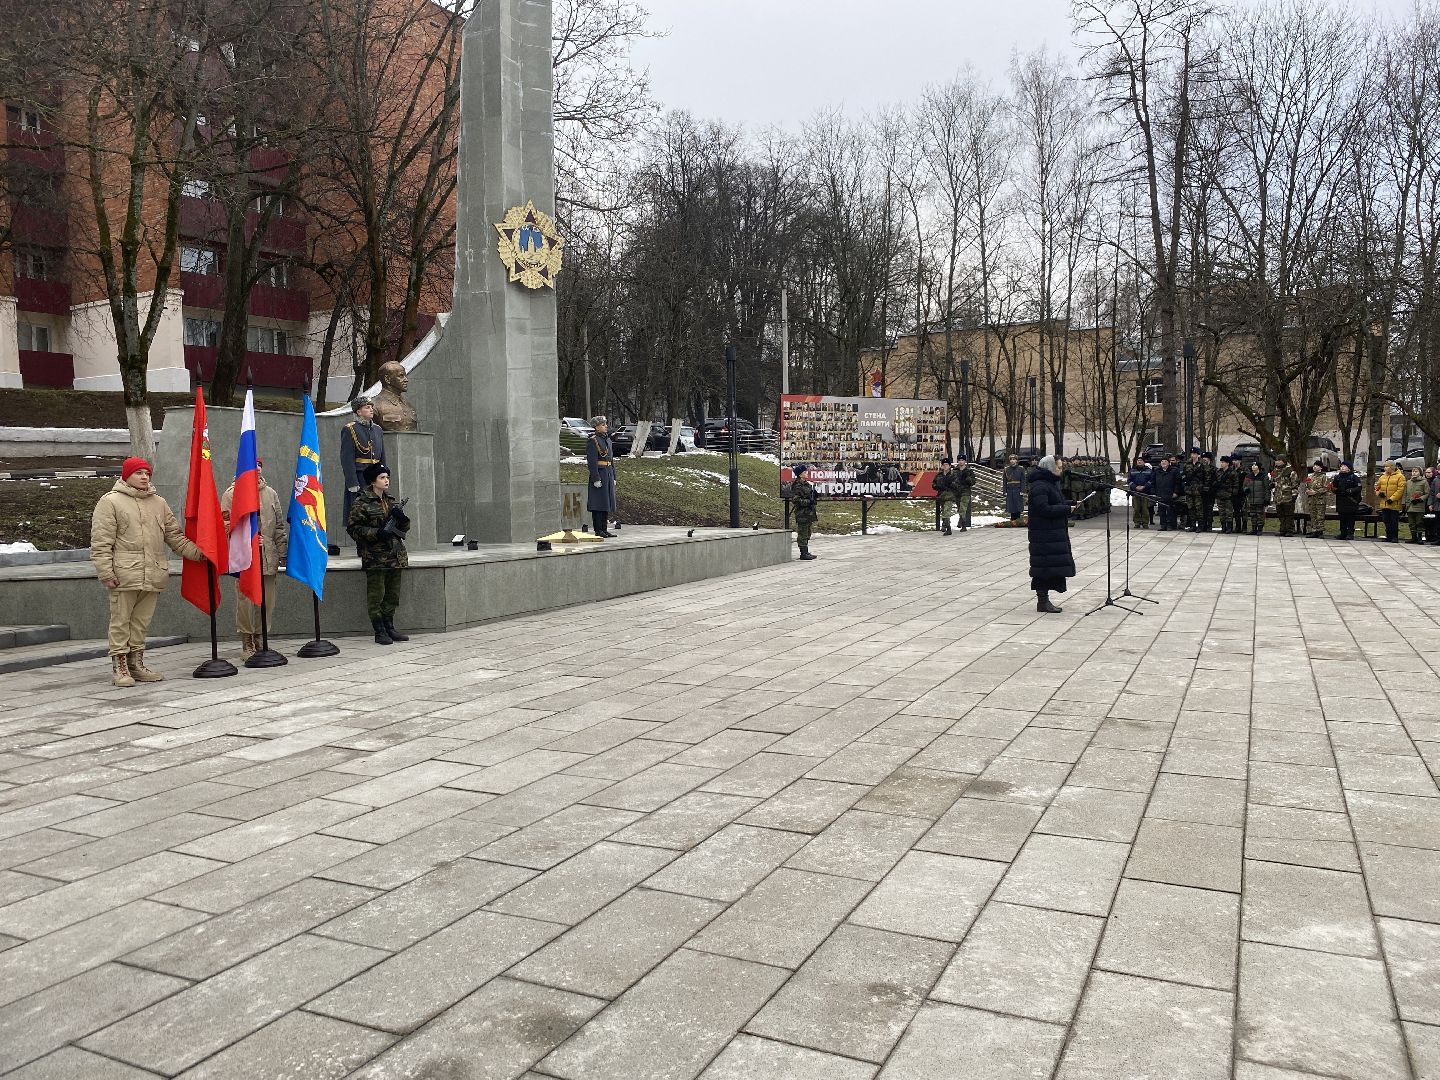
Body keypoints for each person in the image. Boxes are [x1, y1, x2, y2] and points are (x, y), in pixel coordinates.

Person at [90, 457, 207, 687]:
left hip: (153, 573)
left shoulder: (159, 503)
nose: (145, 477)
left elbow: (175, 537)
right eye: (139, 473)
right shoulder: (110, 502)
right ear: (126, 476)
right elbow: (101, 542)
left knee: (141, 623)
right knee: (121, 621)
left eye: (147, 473)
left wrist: (202, 553)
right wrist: (106, 572)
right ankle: (120, 667)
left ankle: (136, 664)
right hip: (124, 574)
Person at [221, 459, 290, 659]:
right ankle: (247, 640)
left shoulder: (271, 493)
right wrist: (249, 540)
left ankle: (262, 637)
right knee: (246, 600)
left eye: (260, 466)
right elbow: (226, 525)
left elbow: (278, 527)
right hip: (245, 557)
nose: (257, 469)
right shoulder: (232, 494)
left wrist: (283, 552)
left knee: (267, 601)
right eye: (253, 465)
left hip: (268, 556)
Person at [347, 463, 411, 645]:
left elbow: (403, 529)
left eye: (387, 477)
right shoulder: (361, 502)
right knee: (376, 595)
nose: (386, 480)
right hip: (375, 556)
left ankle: (390, 626)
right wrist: (376, 533)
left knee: (392, 594)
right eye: (382, 477)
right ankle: (379, 630)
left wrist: (403, 520)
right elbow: (354, 529)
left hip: (395, 555)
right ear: (373, 481)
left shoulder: (391, 501)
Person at [1028, 456, 1074, 613]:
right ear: (1049, 468)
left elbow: (1053, 503)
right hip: (1043, 535)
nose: (1060, 470)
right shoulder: (1040, 486)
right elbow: (1043, 509)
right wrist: (1065, 509)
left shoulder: (1050, 483)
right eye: (1058, 467)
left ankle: (1044, 601)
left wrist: (1069, 504)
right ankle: (1042, 602)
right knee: (1043, 568)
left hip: (1050, 533)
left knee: (1048, 567)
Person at [340, 397, 386, 548]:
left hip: (375, 477)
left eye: (371, 406)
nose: (371, 409)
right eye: (367, 407)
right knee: (360, 513)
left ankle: (375, 542)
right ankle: (362, 545)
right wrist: (352, 482)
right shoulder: (350, 429)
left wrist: (384, 474)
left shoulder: (378, 430)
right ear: (358, 411)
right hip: (360, 477)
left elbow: (382, 455)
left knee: (377, 510)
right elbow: (347, 458)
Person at [586, 415, 616, 538]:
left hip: (607, 473)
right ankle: (598, 530)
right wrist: (596, 478)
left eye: (605, 424)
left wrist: (614, 476)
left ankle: (604, 529)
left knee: (606, 503)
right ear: (596, 427)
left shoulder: (607, 440)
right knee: (598, 504)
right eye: (603, 425)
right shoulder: (593, 441)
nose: (606, 426)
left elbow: (611, 460)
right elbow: (592, 461)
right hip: (600, 473)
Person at [372, 361, 418, 432]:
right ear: (387, 379)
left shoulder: (409, 406)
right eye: (401, 376)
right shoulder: (374, 405)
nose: (406, 380)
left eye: (405, 376)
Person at [791, 463, 819, 560]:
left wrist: (814, 497)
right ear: (800, 474)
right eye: (804, 472)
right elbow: (796, 500)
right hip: (802, 513)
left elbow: (809, 496)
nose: (807, 473)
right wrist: (808, 501)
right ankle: (803, 553)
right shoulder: (797, 485)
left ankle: (806, 551)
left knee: (807, 533)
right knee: (803, 533)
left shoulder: (806, 484)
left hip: (809, 513)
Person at [1374, 459, 1405, 543]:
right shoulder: (1383, 476)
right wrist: (1379, 493)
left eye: (1387, 466)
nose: (1385, 468)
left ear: (1392, 467)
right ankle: (1388, 536)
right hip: (1384, 503)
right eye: (1384, 466)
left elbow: (1400, 490)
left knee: (1394, 521)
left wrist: (1392, 499)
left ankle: (1395, 537)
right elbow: (1377, 487)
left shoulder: (1400, 477)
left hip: (1394, 503)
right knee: (1386, 520)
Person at [1331, 462, 1363, 541]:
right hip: (1341, 501)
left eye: (1344, 466)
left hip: (1351, 501)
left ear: (1349, 468)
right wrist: (1334, 489)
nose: (1342, 468)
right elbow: (1334, 487)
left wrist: (1351, 490)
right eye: (1341, 466)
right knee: (1342, 518)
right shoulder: (1338, 477)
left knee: (1350, 518)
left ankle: (1350, 533)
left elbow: (1358, 487)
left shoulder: (1354, 477)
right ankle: (1343, 533)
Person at [1153, 455, 1183, 531]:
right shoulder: (1157, 471)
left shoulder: (1174, 471)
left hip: (1170, 494)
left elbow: (1178, 482)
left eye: (1165, 461)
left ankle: (1170, 525)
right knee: (1161, 511)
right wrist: (1154, 492)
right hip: (1160, 494)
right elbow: (1153, 482)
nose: (1163, 463)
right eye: (1162, 461)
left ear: (1169, 463)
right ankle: (1163, 525)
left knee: (1170, 510)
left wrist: (1176, 492)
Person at [1272, 456, 1299, 537]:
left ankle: (1289, 530)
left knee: (1289, 515)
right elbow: (1274, 482)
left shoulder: (1291, 471)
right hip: (1278, 496)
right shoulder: (1276, 470)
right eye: (1276, 460)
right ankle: (1282, 529)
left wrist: (1294, 495)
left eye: (1279, 460)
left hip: (1288, 496)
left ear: (1283, 461)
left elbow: (1295, 484)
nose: (1277, 462)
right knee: (1281, 514)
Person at [1302, 461, 1330, 539]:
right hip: (1311, 500)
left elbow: (1326, 488)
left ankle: (1320, 531)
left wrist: (1316, 492)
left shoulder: (1323, 477)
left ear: (1321, 467)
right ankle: (1314, 530)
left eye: (1317, 466)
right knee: (1313, 515)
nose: (1315, 467)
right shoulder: (1310, 477)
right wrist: (1308, 491)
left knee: (1320, 516)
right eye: (1314, 465)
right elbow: (1306, 486)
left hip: (1320, 500)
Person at [1215, 456, 1243, 534]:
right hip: (1220, 495)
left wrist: (1233, 494)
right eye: (1221, 462)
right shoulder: (1218, 472)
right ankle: (1223, 527)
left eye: (1223, 462)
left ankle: (1229, 528)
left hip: (1228, 496)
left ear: (1227, 463)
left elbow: (1236, 484)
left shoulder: (1232, 472)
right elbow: (1216, 482)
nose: (1221, 464)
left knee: (1229, 513)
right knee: (1221, 512)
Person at [1244, 461, 1272, 536]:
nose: (1253, 466)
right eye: (1252, 465)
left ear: (1259, 467)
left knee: (1260, 515)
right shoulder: (1248, 476)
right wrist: (1246, 489)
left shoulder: (1263, 476)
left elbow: (1267, 489)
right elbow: (1245, 485)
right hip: (1251, 499)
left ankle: (1259, 529)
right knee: (1253, 515)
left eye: (1255, 465)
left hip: (1260, 499)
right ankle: (1253, 529)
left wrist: (1267, 499)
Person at [1404, 466, 1428, 544]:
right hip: (1410, 505)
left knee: (1419, 522)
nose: (1414, 473)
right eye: (1413, 471)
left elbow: (1427, 493)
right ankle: (1413, 537)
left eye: (1416, 471)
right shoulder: (1408, 482)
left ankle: (1419, 537)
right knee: (1411, 523)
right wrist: (1404, 503)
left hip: (1419, 505)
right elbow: (1405, 493)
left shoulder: (1424, 482)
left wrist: (1420, 499)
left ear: (1420, 473)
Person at [1127, 458, 1153, 529]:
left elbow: (1151, 480)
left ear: (1144, 462)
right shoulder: (1132, 471)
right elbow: (1129, 481)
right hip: (1135, 493)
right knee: (1136, 509)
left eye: (1141, 461)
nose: (1139, 462)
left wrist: (1144, 487)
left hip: (1146, 493)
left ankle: (1145, 523)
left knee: (1145, 509)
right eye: (1138, 461)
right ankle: (1137, 522)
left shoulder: (1149, 471)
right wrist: (1135, 487)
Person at [933, 459, 957, 536]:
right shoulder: (939, 475)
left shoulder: (953, 474)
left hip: (950, 496)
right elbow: (934, 484)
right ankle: (945, 524)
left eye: (947, 465)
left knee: (946, 511)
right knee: (943, 511)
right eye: (943, 465)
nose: (945, 466)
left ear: (950, 466)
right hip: (941, 496)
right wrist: (938, 486)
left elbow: (957, 485)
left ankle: (948, 529)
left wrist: (950, 484)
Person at [953, 454, 976, 531]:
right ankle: (963, 523)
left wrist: (967, 479)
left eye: (962, 460)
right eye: (959, 460)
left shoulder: (969, 471)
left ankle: (962, 522)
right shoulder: (955, 471)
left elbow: (973, 482)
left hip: (965, 492)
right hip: (957, 492)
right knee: (960, 508)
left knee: (963, 507)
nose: (961, 462)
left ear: (965, 461)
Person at [1003, 454, 1027, 522]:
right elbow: (1004, 481)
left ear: (1017, 460)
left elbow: (1023, 480)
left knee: (1018, 505)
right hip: (1010, 490)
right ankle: (1012, 520)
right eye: (1011, 459)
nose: (1012, 461)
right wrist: (1005, 491)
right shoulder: (1006, 469)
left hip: (1018, 489)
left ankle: (1018, 520)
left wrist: (1022, 490)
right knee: (1011, 505)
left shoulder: (1021, 469)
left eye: (1014, 459)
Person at [1426, 466, 1440, 545]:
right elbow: (1431, 493)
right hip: (1436, 505)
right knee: (1437, 523)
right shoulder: (1436, 480)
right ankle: (1438, 538)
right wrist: (1430, 504)